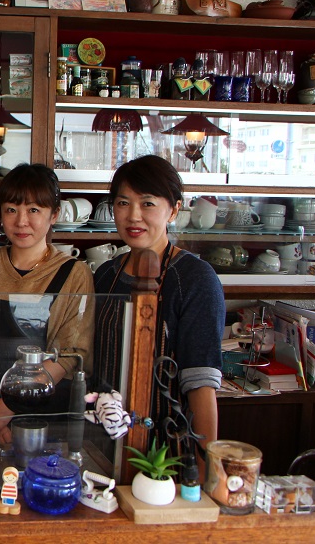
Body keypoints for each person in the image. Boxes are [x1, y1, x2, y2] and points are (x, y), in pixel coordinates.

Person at [0, 163, 94, 444]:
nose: (21, 222)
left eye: (34, 210)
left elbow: (70, 354)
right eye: (11, 210)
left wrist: (7, 407)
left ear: (54, 215)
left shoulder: (74, 273)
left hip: (46, 417)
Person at [93, 155, 222, 456]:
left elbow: (201, 386)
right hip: (103, 445)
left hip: (164, 453)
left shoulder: (195, 279)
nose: (133, 216)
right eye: (123, 203)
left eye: (147, 203)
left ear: (174, 210)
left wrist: (206, 470)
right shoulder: (106, 274)